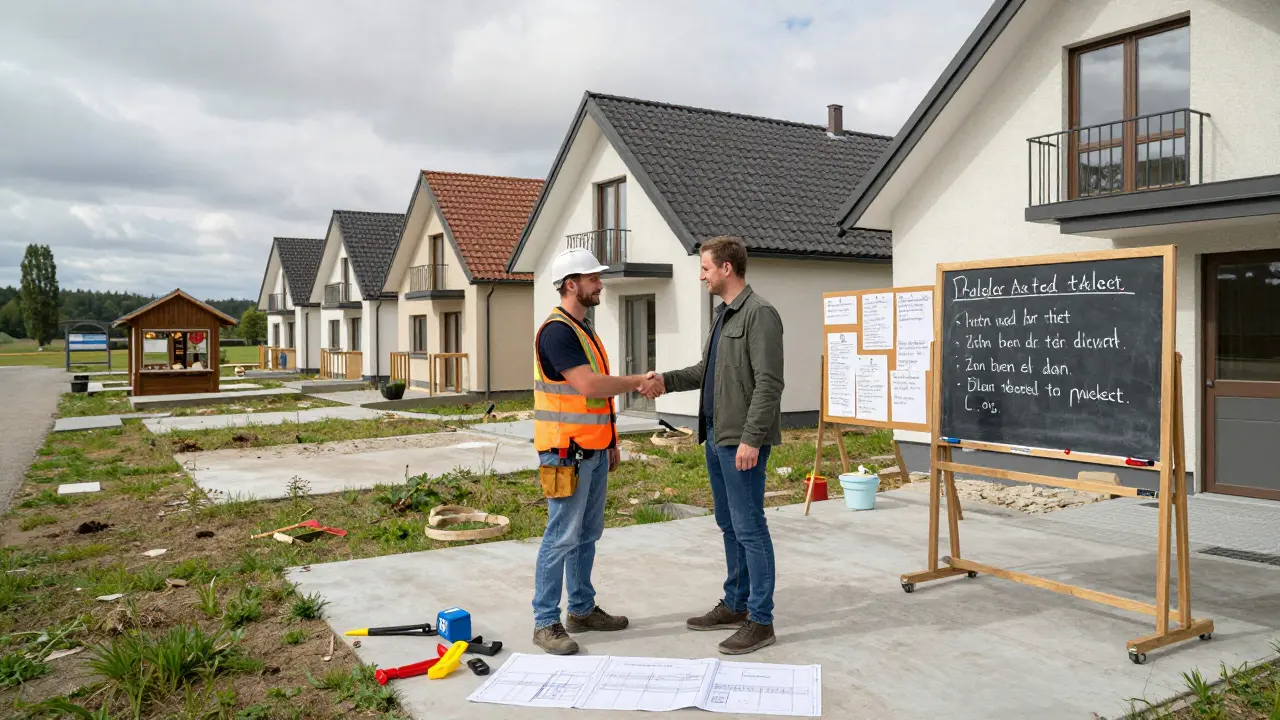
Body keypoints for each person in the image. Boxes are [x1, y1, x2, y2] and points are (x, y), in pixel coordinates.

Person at [642, 235, 784, 655]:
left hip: (740, 441)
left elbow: (770, 384)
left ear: (726, 268)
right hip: (716, 437)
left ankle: (761, 620)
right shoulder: (723, 316)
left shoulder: (760, 315)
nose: (701, 275)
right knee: (729, 524)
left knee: (750, 527)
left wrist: (751, 439)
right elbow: (707, 371)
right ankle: (737, 603)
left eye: (705, 268)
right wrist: (664, 381)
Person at [531, 246, 658, 655]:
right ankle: (545, 621)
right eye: (593, 279)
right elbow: (590, 386)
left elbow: (594, 400)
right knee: (562, 535)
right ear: (572, 285)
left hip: (594, 449)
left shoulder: (582, 329)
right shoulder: (558, 332)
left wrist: (612, 441)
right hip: (565, 453)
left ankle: (581, 610)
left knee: (587, 534)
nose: (599, 284)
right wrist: (640, 380)